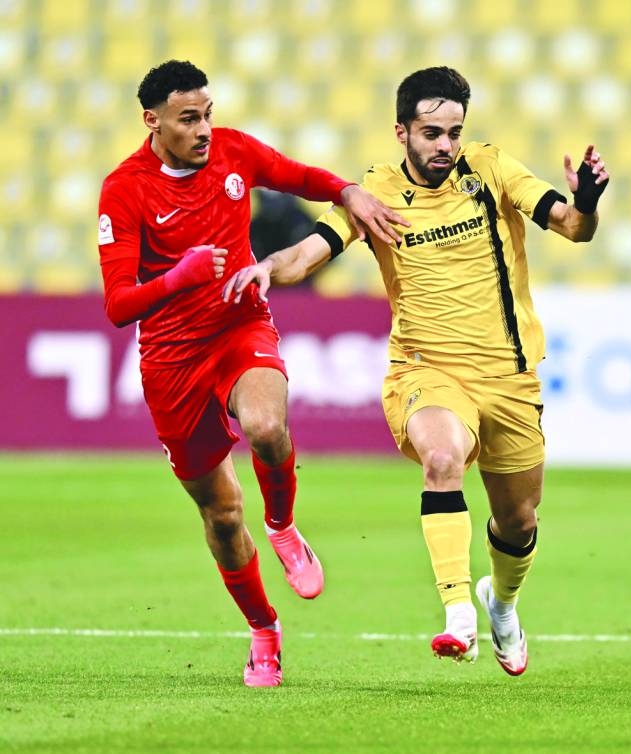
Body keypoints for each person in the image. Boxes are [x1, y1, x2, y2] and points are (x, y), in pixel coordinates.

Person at [223, 66, 609, 676]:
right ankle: (458, 614)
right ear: (401, 132)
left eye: (454, 132)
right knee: (442, 458)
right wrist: (270, 267)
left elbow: (573, 227)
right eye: (432, 133)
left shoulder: (490, 169)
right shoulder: (374, 194)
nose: (445, 145)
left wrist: (585, 199)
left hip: (508, 375)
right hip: (425, 372)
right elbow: (312, 251)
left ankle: (501, 603)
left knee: (519, 521)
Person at [97, 60, 406, 687]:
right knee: (222, 515)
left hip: (239, 328)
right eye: (189, 119)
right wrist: (178, 276)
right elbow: (118, 305)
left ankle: (284, 527)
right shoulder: (124, 189)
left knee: (267, 427)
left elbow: (299, 176)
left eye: (208, 114)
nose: (204, 129)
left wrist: (347, 190)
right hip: (171, 361)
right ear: (152, 121)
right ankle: (264, 629)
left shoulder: (233, 152)